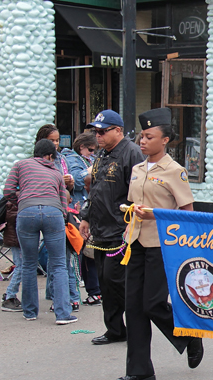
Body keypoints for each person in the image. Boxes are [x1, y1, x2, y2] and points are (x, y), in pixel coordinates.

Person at [114, 108, 204, 380]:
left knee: (152, 303)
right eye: (141, 136)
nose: (142, 141)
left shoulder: (175, 171)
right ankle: (139, 369)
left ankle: (189, 336)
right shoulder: (139, 169)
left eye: (149, 136)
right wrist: (131, 210)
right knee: (134, 307)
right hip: (135, 241)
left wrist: (157, 215)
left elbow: (187, 212)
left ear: (164, 140)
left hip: (161, 245)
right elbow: (133, 202)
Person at [79, 110, 144, 344]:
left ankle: (141, 323)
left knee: (117, 281)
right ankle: (115, 329)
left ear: (118, 130)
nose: (98, 136)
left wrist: (131, 225)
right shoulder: (102, 156)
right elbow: (95, 190)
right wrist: (86, 217)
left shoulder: (132, 153)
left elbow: (139, 193)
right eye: (96, 131)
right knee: (105, 283)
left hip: (121, 229)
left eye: (103, 131)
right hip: (100, 227)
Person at [4, 139, 77, 324]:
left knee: (28, 263)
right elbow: (63, 201)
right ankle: (62, 314)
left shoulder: (20, 165)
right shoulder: (57, 172)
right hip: (53, 213)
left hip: (26, 213)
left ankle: (30, 312)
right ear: (50, 156)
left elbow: (8, 191)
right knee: (59, 264)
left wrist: (22, 200)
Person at [38, 125, 80, 312]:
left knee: (63, 258)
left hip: (63, 209)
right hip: (47, 209)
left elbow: (72, 189)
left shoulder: (63, 159)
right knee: (57, 258)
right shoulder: (37, 161)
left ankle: (70, 298)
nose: (55, 144)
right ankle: (58, 295)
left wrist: (70, 184)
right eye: (51, 140)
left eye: (57, 140)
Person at [69, 132, 102, 306]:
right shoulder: (73, 159)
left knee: (90, 249)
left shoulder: (89, 159)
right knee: (82, 250)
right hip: (78, 210)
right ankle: (86, 291)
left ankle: (95, 290)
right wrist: (90, 171)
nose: (93, 153)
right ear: (81, 147)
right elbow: (78, 181)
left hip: (90, 208)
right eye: (90, 150)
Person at [0, 196, 23, 312]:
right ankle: (10, 295)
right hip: (16, 238)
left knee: (22, 266)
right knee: (21, 266)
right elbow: (15, 219)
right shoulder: (17, 199)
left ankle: (10, 294)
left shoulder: (16, 198)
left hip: (16, 237)